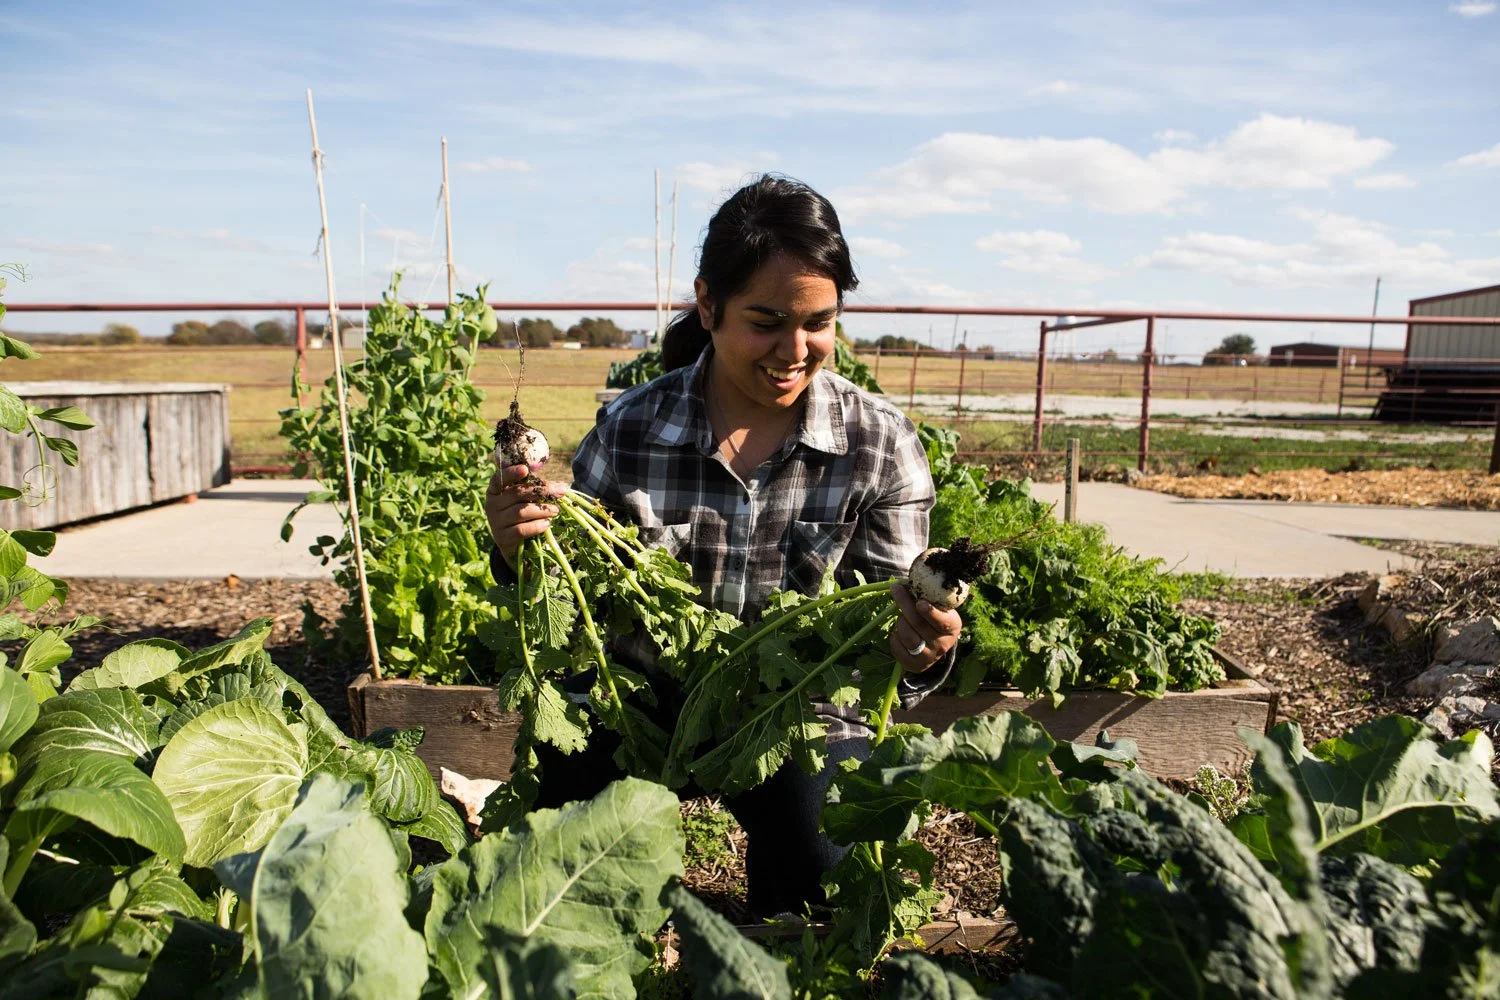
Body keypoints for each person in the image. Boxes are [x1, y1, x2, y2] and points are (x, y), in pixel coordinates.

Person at [485, 174, 961, 916]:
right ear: (709, 305)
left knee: (819, 899)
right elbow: (565, 593)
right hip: (641, 701)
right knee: (561, 875)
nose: (794, 350)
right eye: (765, 322)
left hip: (795, 714)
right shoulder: (633, 429)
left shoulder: (879, 444)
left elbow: (891, 625)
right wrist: (520, 552)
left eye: (818, 324)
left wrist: (918, 645)